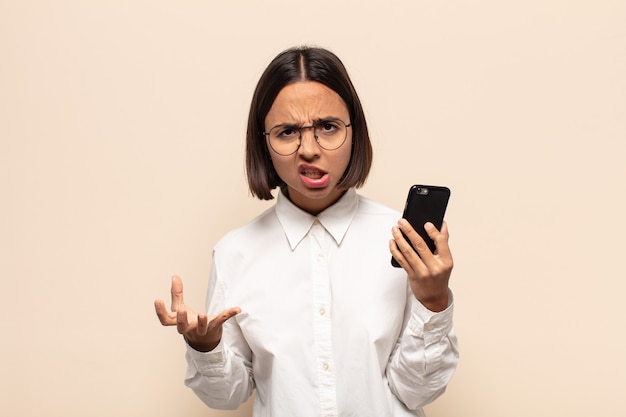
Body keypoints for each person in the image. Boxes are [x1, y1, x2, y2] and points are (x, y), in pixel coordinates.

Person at [154, 46, 458, 417]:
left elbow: (416, 391)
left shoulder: (400, 241)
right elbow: (227, 398)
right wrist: (206, 347)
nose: (309, 150)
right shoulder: (235, 253)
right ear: (263, 143)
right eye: (287, 132)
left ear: (354, 132)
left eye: (328, 127)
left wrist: (433, 302)